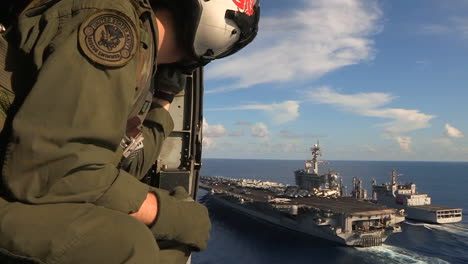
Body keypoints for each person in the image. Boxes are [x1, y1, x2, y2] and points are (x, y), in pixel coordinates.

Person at [0, 0, 260, 263]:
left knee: (172, 243)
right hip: (22, 182)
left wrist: (163, 99)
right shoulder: (113, 21)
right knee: (126, 244)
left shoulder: (143, 59)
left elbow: (125, 163)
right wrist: (168, 213)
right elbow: (53, 172)